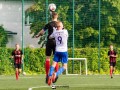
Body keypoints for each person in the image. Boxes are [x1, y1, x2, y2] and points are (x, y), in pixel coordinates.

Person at [35, 12, 59, 83]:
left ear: (51, 17)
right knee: (56, 59)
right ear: (57, 16)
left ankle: (47, 75)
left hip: (49, 42)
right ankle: (55, 74)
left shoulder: (49, 24)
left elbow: (42, 32)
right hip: (56, 42)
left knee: (48, 58)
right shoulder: (59, 24)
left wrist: (38, 35)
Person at [47, 21, 68, 86]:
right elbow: (66, 35)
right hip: (64, 51)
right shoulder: (65, 31)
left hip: (57, 51)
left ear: (56, 27)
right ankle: (56, 74)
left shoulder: (55, 32)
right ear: (61, 26)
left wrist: (55, 30)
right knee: (64, 66)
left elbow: (50, 37)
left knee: (53, 65)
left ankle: (50, 75)